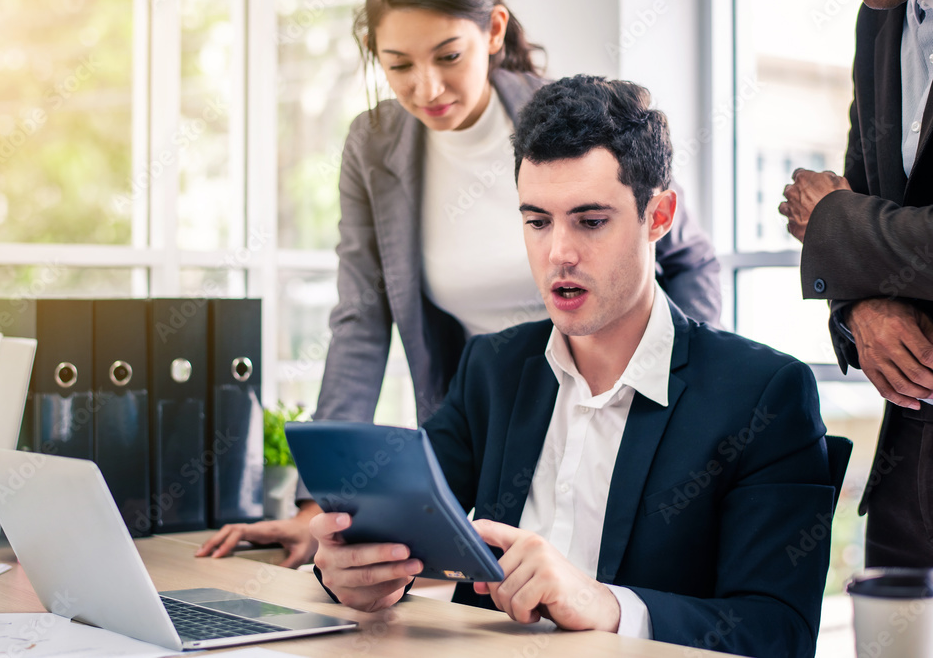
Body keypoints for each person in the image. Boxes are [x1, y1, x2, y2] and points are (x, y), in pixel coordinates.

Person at [310, 75, 838, 656]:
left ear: (658, 216)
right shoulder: (492, 368)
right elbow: (398, 528)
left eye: (590, 221)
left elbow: (778, 632)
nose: (558, 252)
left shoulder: (764, 395)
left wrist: (606, 606)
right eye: (537, 221)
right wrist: (349, 570)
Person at [198, 0, 721, 565]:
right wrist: (319, 508)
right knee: (492, 593)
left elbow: (687, 258)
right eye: (398, 64)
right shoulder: (374, 146)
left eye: (448, 56)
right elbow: (360, 323)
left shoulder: (573, 125)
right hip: (494, 418)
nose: (425, 87)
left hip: (618, 396)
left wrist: (686, 393)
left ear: (494, 31)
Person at [778, 0, 933, 567]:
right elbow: (862, 191)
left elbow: (842, 211)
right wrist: (859, 310)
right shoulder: (878, 20)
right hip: (909, 460)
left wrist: (831, 222)